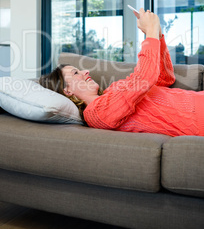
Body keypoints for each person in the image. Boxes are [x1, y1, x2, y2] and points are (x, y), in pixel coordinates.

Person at [39, 8, 204, 137]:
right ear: (67, 90)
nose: (86, 71)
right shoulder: (96, 113)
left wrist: (158, 34)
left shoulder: (113, 90)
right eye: (76, 73)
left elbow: (164, 78)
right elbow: (145, 78)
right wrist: (150, 32)